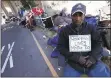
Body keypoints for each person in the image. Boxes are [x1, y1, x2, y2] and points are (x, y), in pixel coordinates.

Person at [56, 3, 110, 77]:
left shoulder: (91, 28)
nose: (77, 18)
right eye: (75, 15)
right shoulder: (65, 31)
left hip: (92, 63)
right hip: (73, 64)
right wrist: (77, 58)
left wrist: (93, 58)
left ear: (84, 15)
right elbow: (61, 47)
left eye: (80, 15)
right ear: (71, 15)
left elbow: (98, 44)